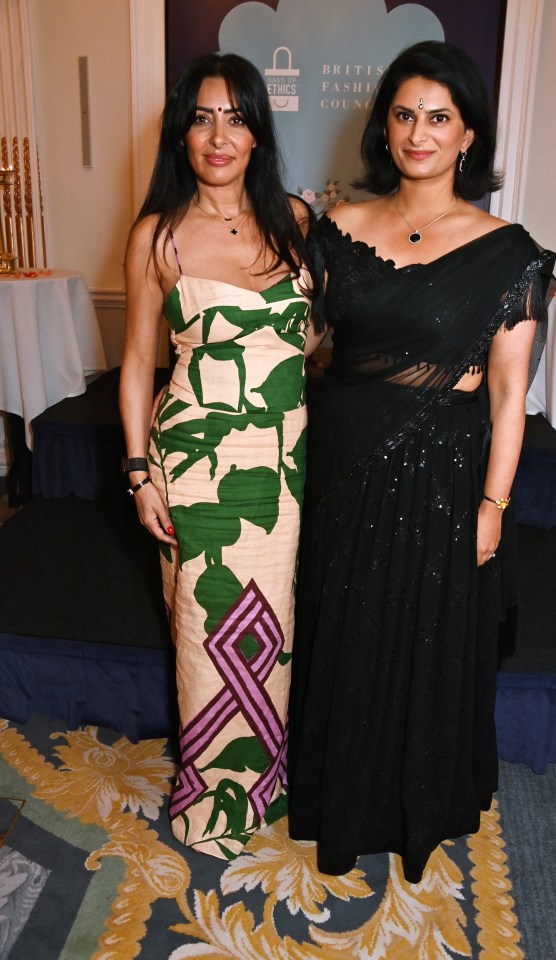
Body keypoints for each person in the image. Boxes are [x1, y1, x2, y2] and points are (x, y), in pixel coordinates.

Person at [287, 40, 556, 884]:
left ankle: (412, 802)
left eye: (438, 117)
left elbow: (509, 395)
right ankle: (338, 795)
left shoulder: (509, 251)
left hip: (443, 472)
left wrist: (492, 506)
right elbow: (296, 347)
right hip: (342, 459)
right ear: (385, 126)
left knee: (423, 636)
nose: (419, 132)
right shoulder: (336, 230)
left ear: (468, 134)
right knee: (346, 627)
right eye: (405, 115)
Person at [119, 52, 321, 859]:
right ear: (182, 133)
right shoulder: (158, 235)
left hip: (281, 463)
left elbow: (326, 339)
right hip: (196, 462)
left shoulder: (298, 222)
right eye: (202, 117)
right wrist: (139, 472)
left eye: (236, 117)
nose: (218, 135)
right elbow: (137, 362)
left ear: (258, 134)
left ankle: (259, 779)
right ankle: (211, 796)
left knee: (272, 625)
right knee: (205, 631)